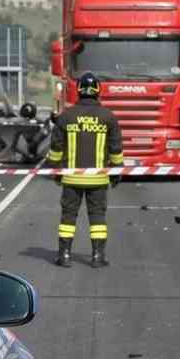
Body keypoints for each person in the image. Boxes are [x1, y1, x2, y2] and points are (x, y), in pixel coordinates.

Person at [45, 72, 123, 268]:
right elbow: (116, 149)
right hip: (98, 180)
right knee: (97, 217)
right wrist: (116, 172)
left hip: (71, 179)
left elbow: (56, 149)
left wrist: (55, 170)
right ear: (98, 90)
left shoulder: (66, 117)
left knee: (68, 217)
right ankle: (97, 257)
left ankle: (64, 256)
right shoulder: (108, 117)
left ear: (78, 89)